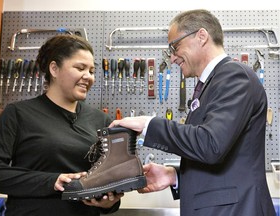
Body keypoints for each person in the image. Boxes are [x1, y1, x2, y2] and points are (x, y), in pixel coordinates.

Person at [110, 9, 276, 216]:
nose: (171, 58)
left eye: (175, 46)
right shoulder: (212, 83)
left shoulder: (234, 76)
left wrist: (149, 125)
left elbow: (211, 144)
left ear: (202, 36)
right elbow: (219, 157)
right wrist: (174, 176)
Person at [0, 34, 123, 216]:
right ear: (54, 69)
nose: (88, 77)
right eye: (80, 68)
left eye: (92, 71)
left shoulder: (101, 121)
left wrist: (108, 203)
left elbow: (109, 183)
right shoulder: (18, 114)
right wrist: (52, 181)